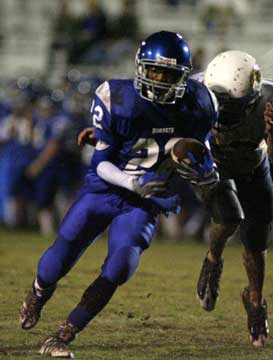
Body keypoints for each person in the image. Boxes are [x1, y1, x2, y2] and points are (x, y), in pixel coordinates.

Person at [19, 31, 218, 358]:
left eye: (169, 74)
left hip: (147, 197)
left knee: (122, 264)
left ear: (183, 76)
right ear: (140, 68)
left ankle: (65, 333)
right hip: (107, 187)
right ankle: (39, 293)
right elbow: (101, 165)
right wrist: (132, 182)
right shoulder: (118, 98)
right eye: (154, 71)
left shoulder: (199, 103)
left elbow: (201, 148)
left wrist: (206, 170)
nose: (160, 80)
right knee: (60, 256)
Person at [194, 50, 273, 348]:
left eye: (231, 105)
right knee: (229, 217)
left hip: (254, 164)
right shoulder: (194, 91)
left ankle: (255, 302)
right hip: (214, 165)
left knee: (257, 237)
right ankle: (213, 259)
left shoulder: (269, 100)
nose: (222, 112)